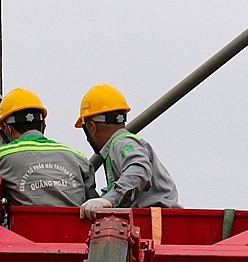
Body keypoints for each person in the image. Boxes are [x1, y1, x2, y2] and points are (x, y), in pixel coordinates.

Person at [0, 88, 97, 207]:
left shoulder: (0, 156)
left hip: (22, 231)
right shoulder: (79, 158)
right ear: (43, 125)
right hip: (73, 230)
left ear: (7, 128)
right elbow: (92, 202)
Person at [74, 84, 179, 219]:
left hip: (156, 223)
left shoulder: (123, 143)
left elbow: (138, 170)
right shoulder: (117, 148)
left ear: (92, 127)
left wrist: (108, 200)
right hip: (151, 221)